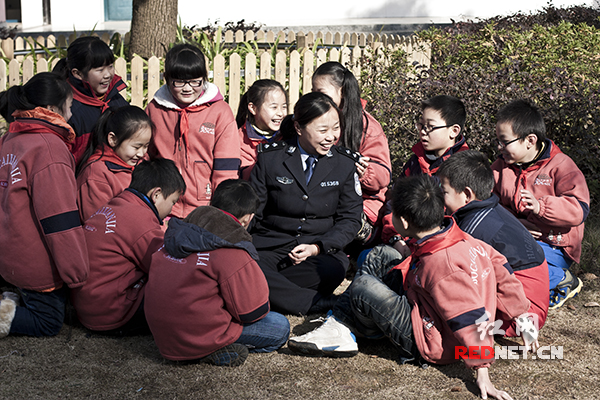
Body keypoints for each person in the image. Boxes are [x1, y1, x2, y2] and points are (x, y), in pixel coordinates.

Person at [288, 174, 535, 400]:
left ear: (404, 222)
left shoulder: (442, 267)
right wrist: (522, 316)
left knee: (362, 285)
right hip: (424, 304)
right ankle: (345, 322)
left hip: (429, 339)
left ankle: (346, 324)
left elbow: (467, 316)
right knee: (381, 254)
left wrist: (482, 370)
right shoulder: (462, 238)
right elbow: (501, 268)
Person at [144, 179, 290, 366]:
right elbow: (252, 312)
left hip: (162, 334)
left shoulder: (177, 231)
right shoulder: (233, 248)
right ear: (248, 218)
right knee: (280, 327)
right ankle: (210, 351)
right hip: (198, 335)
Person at [249, 92, 363, 316]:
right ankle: (315, 302)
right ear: (299, 128)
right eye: (322, 130)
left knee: (331, 270)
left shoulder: (345, 163)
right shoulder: (271, 159)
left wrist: (318, 247)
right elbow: (254, 211)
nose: (331, 137)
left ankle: (264, 291)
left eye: (336, 128)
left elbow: (350, 218)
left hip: (319, 252)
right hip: (271, 247)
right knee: (249, 266)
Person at [0, 72, 89, 338]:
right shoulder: (49, 148)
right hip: (35, 265)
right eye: (70, 107)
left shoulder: (9, 139)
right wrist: (77, 274)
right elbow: (59, 219)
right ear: (52, 109)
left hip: (9, 257)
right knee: (47, 322)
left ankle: (11, 295)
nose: (72, 115)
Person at [437, 150, 549, 335]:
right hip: (529, 302)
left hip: (521, 314)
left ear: (466, 194)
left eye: (445, 191)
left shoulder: (474, 229)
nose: (441, 197)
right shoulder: (489, 207)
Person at [491, 99, 589, 309]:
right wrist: (515, 222)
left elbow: (579, 208)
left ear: (530, 140)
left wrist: (541, 208)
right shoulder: (500, 167)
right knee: (494, 263)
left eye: (504, 141)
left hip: (555, 245)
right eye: (497, 141)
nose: (499, 148)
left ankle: (562, 278)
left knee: (512, 269)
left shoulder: (561, 165)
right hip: (520, 239)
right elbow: (490, 203)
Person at [71, 159, 185, 336]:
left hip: (87, 305)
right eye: (172, 201)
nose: (171, 209)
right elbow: (165, 267)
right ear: (156, 194)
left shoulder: (117, 204)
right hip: (110, 313)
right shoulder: (140, 221)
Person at [146, 43, 240, 219]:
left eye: (195, 81)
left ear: (204, 77)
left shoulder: (220, 111)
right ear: (166, 78)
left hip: (205, 210)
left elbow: (226, 169)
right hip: (162, 209)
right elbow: (144, 157)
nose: (187, 88)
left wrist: (219, 211)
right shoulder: (154, 110)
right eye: (179, 81)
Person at [312, 62, 392, 244]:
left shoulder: (367, 126)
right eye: (313, 91)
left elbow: (384, 174)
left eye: (322, 93)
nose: (316, 98)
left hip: (362, 203)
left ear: (343, 92)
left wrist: (366, 172)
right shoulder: (314, 122)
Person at [380, 94, 469, 247]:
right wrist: (395, 237)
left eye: (430, 127)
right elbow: (395, 201)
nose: (422, 131)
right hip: (404, 239)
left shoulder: (464, 169)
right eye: (421, 125)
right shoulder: (415, 162)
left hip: (441, 245)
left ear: (454, 131)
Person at [53, 36, 128, 162]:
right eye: (100, 70)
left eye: (110, 66)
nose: (108, 75)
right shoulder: (68, 110)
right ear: (78, 74)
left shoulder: (116, 99)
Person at [76, 106, 153, 222]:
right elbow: (99, 223)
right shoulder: (97, 173)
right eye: (136, 147)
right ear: (113, 139)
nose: (142, 153)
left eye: (146, 146)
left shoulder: (141, 163)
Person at [236, 79, 288, 180]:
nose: (280, 113)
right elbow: (245, 176)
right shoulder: (240, 140)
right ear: (253, 108)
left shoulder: (288, 135)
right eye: (274, 107)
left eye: (284, 107)